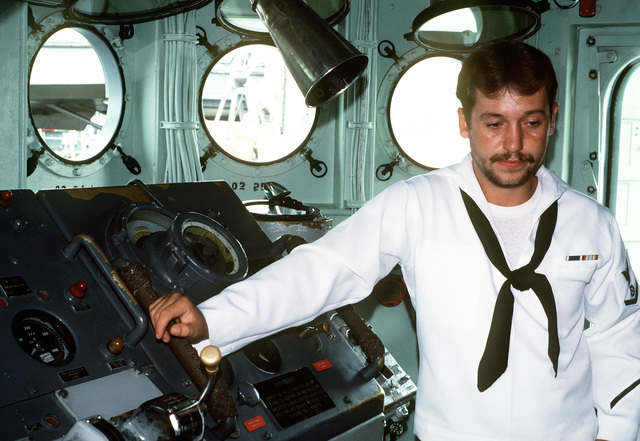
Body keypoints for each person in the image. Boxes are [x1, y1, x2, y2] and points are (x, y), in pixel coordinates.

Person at [149, 40, 640, 441]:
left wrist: (616, 434)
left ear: (552, 119)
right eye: (494, 124)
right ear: (464, 122)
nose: (513, 143)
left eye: (531, 122)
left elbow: (620, 337)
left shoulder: (590, 222)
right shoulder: (415, 204)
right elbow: (322, 271)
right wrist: (212, 317)